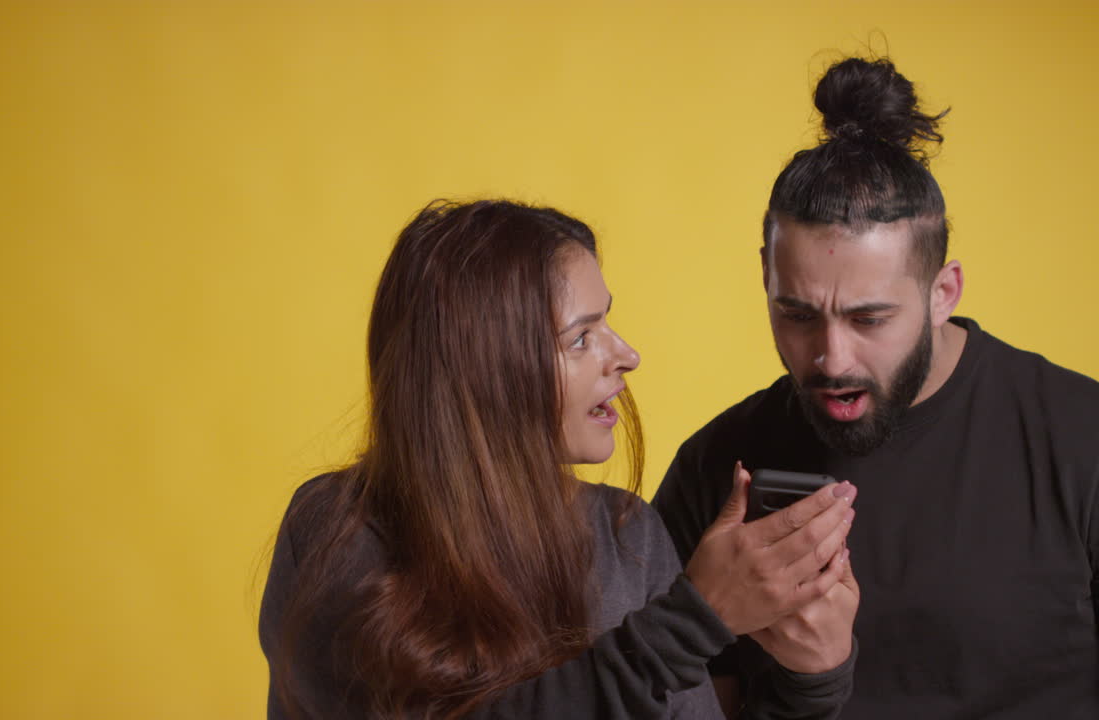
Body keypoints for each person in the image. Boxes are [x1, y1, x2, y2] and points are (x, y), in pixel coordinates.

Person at [652, 57, 1099, 719]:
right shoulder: (713, 469)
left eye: (869, 318)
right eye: (797, 315)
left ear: (942, 292)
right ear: (766, 282)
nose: (832, 357)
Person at [259, 199, 859, 719]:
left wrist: (812, 679)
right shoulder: (336, 531)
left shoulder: (628, 535)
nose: (627, 355)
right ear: (485, 369)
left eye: (609, 324)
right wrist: (692, 622)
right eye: (580, 337)